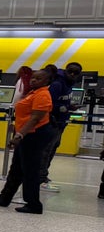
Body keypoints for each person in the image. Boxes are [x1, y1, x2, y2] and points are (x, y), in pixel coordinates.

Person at [0, 67, 53, 214]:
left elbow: (35, 119)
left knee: (29, 170)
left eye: (39, 78)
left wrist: (19, 135)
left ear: (47, 81)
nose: (34, 80)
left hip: (34, 135)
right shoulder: (33, 92)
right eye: (33, 77)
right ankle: (5, 197)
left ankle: (33, 204)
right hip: (26, 133)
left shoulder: (43, 95)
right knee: (16, 167)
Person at [38, 61, 82, 192]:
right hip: (52, 122)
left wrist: (69, 107)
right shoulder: (57, 84)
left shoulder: (69, 84)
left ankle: (43, 175)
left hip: (61, 121)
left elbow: (62, 102)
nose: (72, 74)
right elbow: (49, 104)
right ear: (66, 70)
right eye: (70, 71)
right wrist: (65, 107)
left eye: (76, 73)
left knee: (52, 148)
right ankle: (40, 178)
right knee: (46, 150)